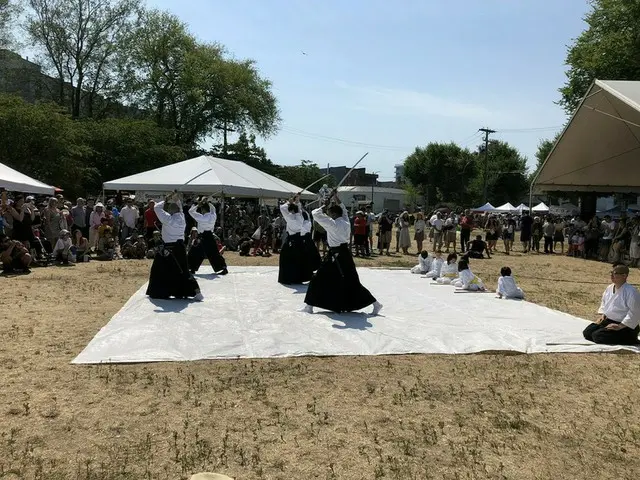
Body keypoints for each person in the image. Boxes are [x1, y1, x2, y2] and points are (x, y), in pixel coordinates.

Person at [303, 190, 382, 315]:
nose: (328, 215)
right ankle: (375, 304)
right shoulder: (345, 221)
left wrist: (325, 203)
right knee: (351, 281)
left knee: (318, 278)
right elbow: (343, 208)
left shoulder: (332, 224)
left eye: (329, 213)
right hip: (344, 253)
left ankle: (309, 306)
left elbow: (315, 213)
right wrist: (335, 197)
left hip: (335, 255)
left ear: (333, 214)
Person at [146, 192, 203, 301]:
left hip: (168, 248)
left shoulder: (168, 219)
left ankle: (158, 291)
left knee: (158, 269)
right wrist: (176, 199)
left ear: (170, 211)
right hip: (180, 247)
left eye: (168, 209)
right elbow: (180, 208)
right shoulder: (181, 217)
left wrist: (166, 199)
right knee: (183, 270)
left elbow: (157, 208)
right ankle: (197, 292)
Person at [583, 264, 640, 345]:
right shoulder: (609, 288)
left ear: (624, 275)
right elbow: (605, 303)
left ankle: (630, 339)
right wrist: (603, 315)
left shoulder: (631, 292)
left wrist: (620, 326)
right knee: (587, 333)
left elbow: (635, 312)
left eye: (615, 273)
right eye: (611, 273)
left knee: (597, 336)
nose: (612, 276)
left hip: (626, 326)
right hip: (609, 320)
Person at [187, 198, 228, 275]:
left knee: (194, 252)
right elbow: (213, 209)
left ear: (202, 210)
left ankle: (192, 268)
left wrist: (197, 205)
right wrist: (208, 202)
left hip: (202, 236)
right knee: (214, 253)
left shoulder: (201, 217)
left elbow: (190, 211)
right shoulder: (213, 215)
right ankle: (223, 268)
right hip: (210, 236)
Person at [278, 194, 312, 285]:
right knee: (299, 259)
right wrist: (296, 201)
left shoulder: (290, 217)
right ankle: (299, 278)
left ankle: (288, 278)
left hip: (291, 239)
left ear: (291, 210)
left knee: (287, 259)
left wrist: (291, 201)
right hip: (299, 240)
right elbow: (299, 209)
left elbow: (282, 208)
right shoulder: (300, 217)